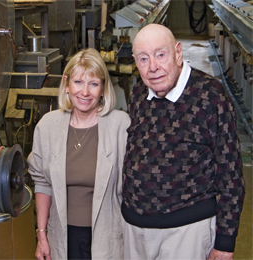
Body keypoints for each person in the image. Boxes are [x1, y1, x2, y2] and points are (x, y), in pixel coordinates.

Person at [122, 23, 245, 260]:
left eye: (160, 54)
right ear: (136, 63)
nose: (153, 67)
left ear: (178, 53)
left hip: (186, 232)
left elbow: (231, 175)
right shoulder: (138, 95)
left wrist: (225, 242)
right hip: (135, 232)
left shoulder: (210, 94)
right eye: (144, 59)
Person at [27, 48, 130, 260]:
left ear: (103, 88)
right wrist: (42, 235)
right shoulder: (48, 126)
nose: (85, 92)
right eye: (78, 82)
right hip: (62, 238)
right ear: (66, 83)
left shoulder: (120, 125)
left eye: (93, 84)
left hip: (107, 238)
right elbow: (42, 184)